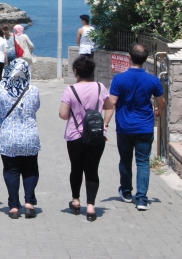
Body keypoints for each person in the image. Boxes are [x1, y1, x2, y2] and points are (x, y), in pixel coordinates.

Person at [109, 43, 166, 211]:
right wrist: (159, 111)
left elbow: (112, 102)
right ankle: (141, 199)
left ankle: (126, 192)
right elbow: (161, 101)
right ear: (145, 59)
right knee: (143, 162)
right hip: (145, 126)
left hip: (124, 126)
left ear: (129, 57)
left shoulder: (119, 79)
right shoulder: (153, 80)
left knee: (125, 160)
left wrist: (105, 122)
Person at [59, 56, 114, 222]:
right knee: (92, 170)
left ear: (76, 71)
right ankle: (91, 206)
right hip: (96, 135)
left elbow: (63, 114)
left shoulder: (70, 90)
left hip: (75, 135)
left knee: (76, 168)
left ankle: (76, 201)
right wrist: (104, 125)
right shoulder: (100, 87)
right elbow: (110, 107)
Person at [0, 59, 41, 219]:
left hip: (9, 137)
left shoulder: (2, 91)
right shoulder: (33, 90)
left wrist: (0, 121)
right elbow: (36, 107)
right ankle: (29, 204)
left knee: (11, 170)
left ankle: (14, 207)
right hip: (30, 136)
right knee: (30, 169)